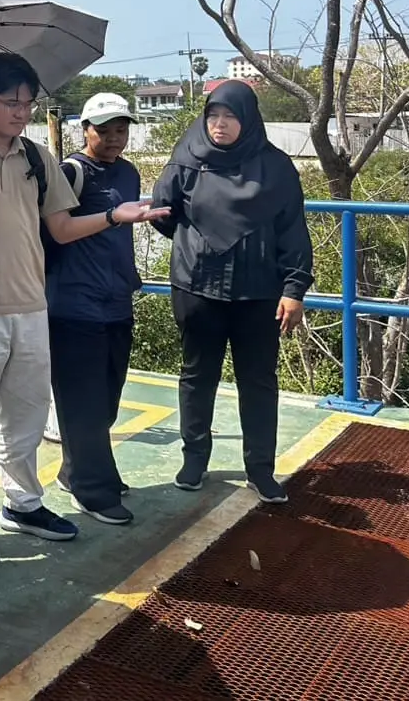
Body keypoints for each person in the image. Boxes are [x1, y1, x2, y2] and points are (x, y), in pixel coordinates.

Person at [0, 53, 167, 561]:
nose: (21, 112)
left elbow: (61, 229)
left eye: (28, 102)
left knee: (27, 416)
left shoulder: (38, 158)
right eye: (11, 102)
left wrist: (114, 216)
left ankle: (24, 503)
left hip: (32, 306)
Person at [150, 79, 313, 503]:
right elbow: (163, 212)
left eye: (230, 117)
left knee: (258, 381)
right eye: (213, 116)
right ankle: (194, 459)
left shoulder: (275, 168)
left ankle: (260, 470)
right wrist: (197, 243)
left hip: (258, 291)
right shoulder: (186, 159)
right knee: (197, 375)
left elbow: (292, 231)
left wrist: (294, 289)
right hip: (197, 285)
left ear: (249, 120)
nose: (219, 125)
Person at [44, 93, 145, 526]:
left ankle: (75, 470)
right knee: (82, 400)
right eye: (103, 130)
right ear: (83, 129)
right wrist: (112, 216)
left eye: (120, 130)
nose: (113, 139)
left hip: (116, 299)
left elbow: (126, 230)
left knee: (106, 399)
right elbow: (59, 233)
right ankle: (94, 490)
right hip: (73, 302)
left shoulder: (129, 172)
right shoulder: (70, 172)